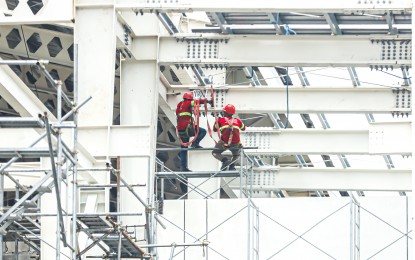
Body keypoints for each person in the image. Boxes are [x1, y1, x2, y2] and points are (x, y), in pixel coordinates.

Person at [176, 91, 210, 172]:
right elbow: (197, 102)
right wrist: (207, 100)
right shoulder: (188, 103)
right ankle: (195, 143)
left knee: (184, 149)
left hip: (180, 130)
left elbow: (178, 113)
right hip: (187, 128)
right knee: (203, 131)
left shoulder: (180, 104)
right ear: (190, 98)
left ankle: (183, 167)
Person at [212, 104, 246, 171]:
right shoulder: (238, 121)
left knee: (215, 152)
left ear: (225, 112)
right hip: (235, 144)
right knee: (237, 155)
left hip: (224, 143)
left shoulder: (221, 120)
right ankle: (232, 166)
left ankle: (225, 161)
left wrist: (216, 121)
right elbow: (243, 128)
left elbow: (214, 129)